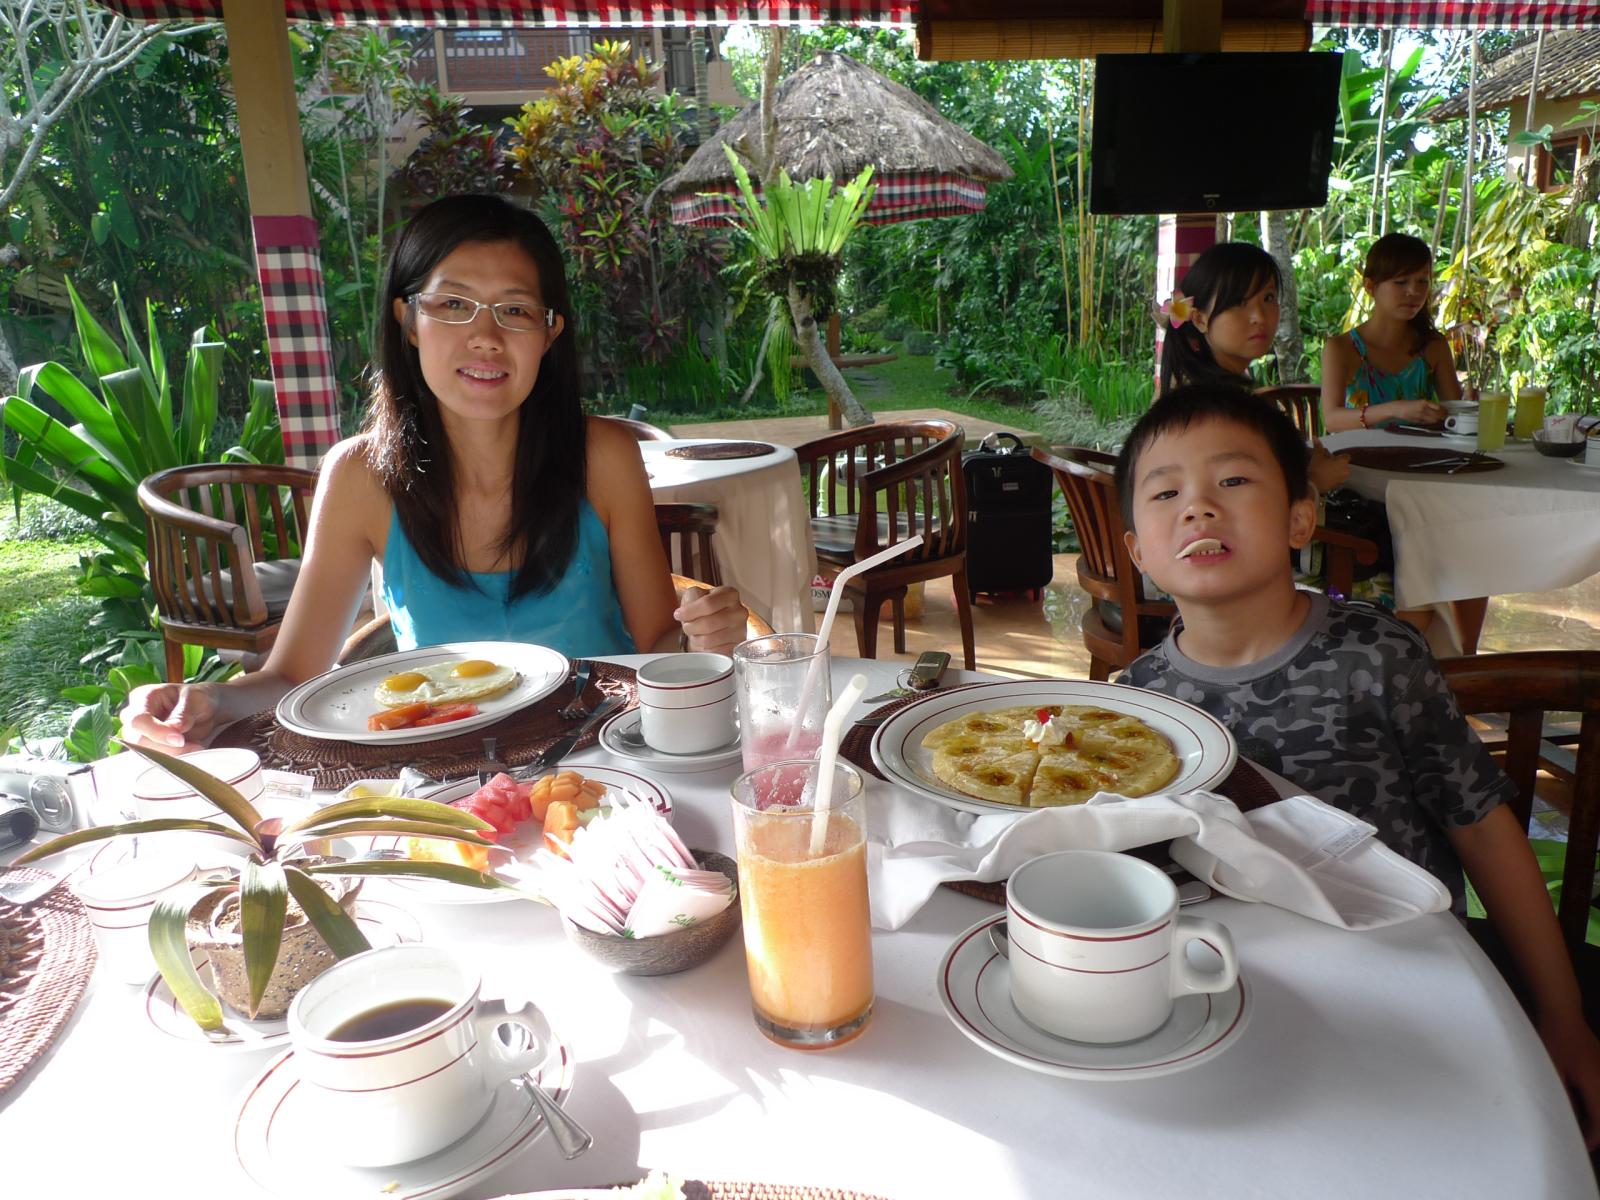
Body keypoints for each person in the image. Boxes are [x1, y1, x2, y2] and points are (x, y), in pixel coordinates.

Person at [1113, 383, 1600, 1147]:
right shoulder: (1140, 705)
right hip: (1238, 1005)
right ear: (1138, 549)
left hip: (1418, 982)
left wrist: (1563, 1016)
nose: (1198, 508)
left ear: (1300, 517)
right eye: (1166, 491)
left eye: (1233, 481)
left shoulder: (1377, 656)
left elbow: (1481, 828)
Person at [121, 193, 746, 753]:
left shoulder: (602, 457)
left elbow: (657, 646)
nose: (484, 337)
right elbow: (290, 678)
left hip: (602, 751)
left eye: (515, 311)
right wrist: (203, 703)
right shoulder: (361, 477)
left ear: (550, 333)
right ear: (408, 321)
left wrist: (704, 638)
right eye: (452, 304)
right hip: (437, 770)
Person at [1157, 241, 1349, 495]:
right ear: (1200, 318)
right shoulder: (1210, 412)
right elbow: (1235, 507)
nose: (1259, 315)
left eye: (1268, 298)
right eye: (1238, 302)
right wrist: (1314, 484)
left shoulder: (1216, 391)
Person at [1320, 232, 1459, 432]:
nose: (1414, 291)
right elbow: (1332, 419)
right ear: (1370, 286)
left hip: (1422, 459)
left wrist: (1468, 406)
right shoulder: (1344, 348)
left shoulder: (1432, 345)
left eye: (1422, 281)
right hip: (1361, 459)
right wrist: (1395, 409)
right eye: (1401, 282)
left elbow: (1453, 413)